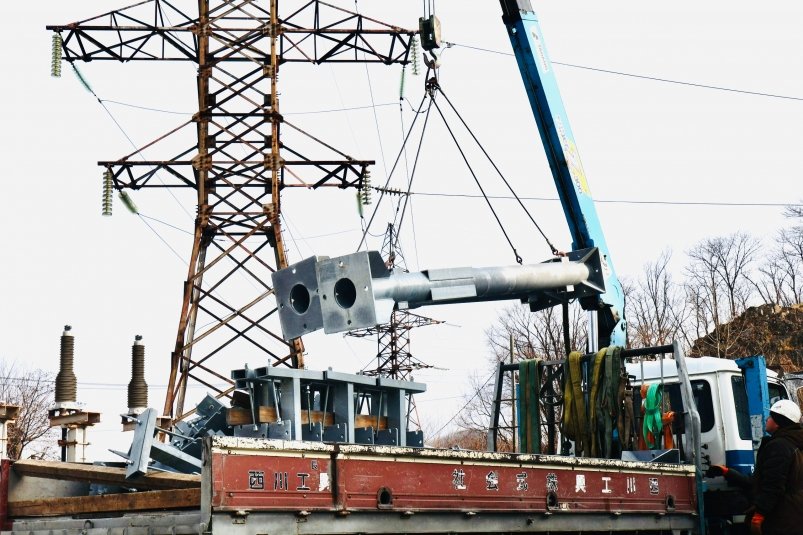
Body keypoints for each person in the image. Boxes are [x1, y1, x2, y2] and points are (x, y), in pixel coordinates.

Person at [707, 399, 803, 535]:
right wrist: (728, 473)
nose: (767, 419)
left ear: (777, 422)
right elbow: (760, 482)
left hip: (780, 520)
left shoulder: (779, 446)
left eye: (770, 417)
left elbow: (773, 486)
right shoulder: (795, 445)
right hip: (794, 518)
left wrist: (759, 514)